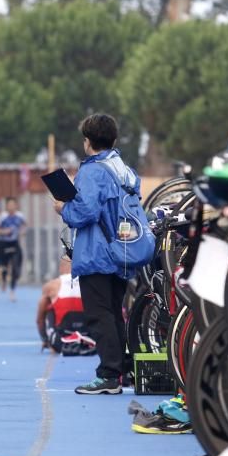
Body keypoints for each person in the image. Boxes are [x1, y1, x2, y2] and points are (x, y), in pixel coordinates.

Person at [55, 113, 140, 395]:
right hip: (124, 249)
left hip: (97, 251)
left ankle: (109, 374)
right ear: (114, 139)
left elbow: (85, 211)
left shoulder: (92, 171)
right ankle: (122, 368)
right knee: (115, 312)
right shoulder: (124, 169)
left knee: (98, 314)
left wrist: (62, 208)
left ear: (87, 141)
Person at [0, 197, 26, 301]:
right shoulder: (2, 217)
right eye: (9, 205)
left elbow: (25, 226)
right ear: (7, 206)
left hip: (15, 244)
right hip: (3, 244)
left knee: (16, 268)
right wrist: (4, 232)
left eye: (13, 205)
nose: (11, 207)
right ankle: (3, 280)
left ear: (16, 205)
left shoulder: (20, 216)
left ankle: (12, 291)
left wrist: (22, 231)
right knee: (4, 267)